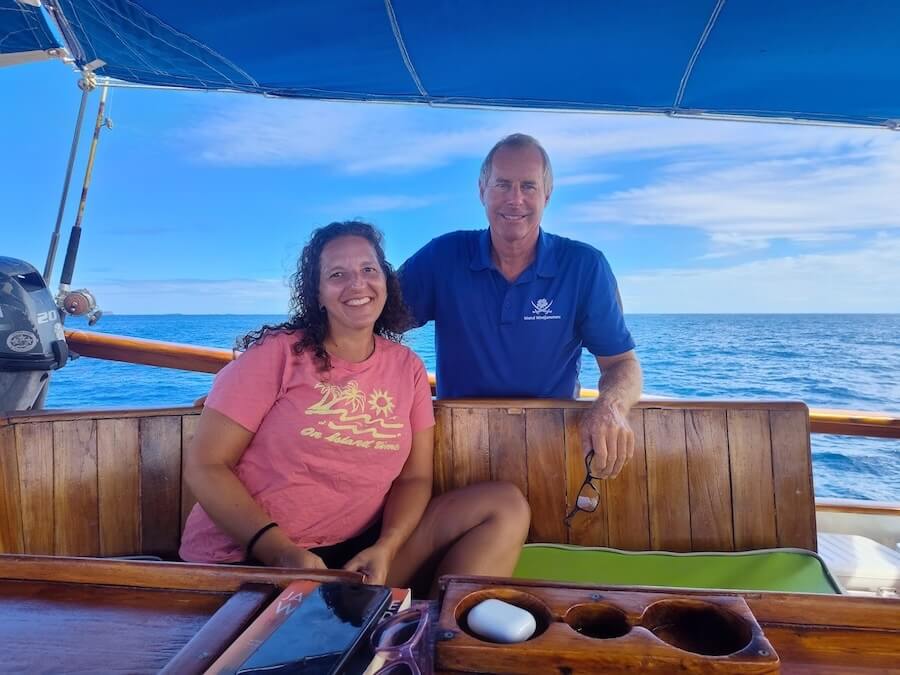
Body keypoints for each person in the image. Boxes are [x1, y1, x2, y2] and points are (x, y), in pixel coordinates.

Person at [180, 221, 530, 596]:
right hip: (251, 559)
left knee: (504, 506)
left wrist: (387, 546)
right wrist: (279, 551)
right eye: (337, 274)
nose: (357, 284)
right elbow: (206, 466)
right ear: (317, 293)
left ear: (385, 280)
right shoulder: (276, 355)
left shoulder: (407, 368)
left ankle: (439, 639)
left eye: (368, 270)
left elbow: (414, 479)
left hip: (355, 559)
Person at [399, 134, 643, 479]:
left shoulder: (584, 265)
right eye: (502, 184)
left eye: (528, 186)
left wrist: (612, 406)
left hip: (553, 446)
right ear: (482, 189)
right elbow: (372, 320)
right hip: (457, 444)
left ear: (547, 195)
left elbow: (622, 364)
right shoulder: (443, 256)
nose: (515, 199)